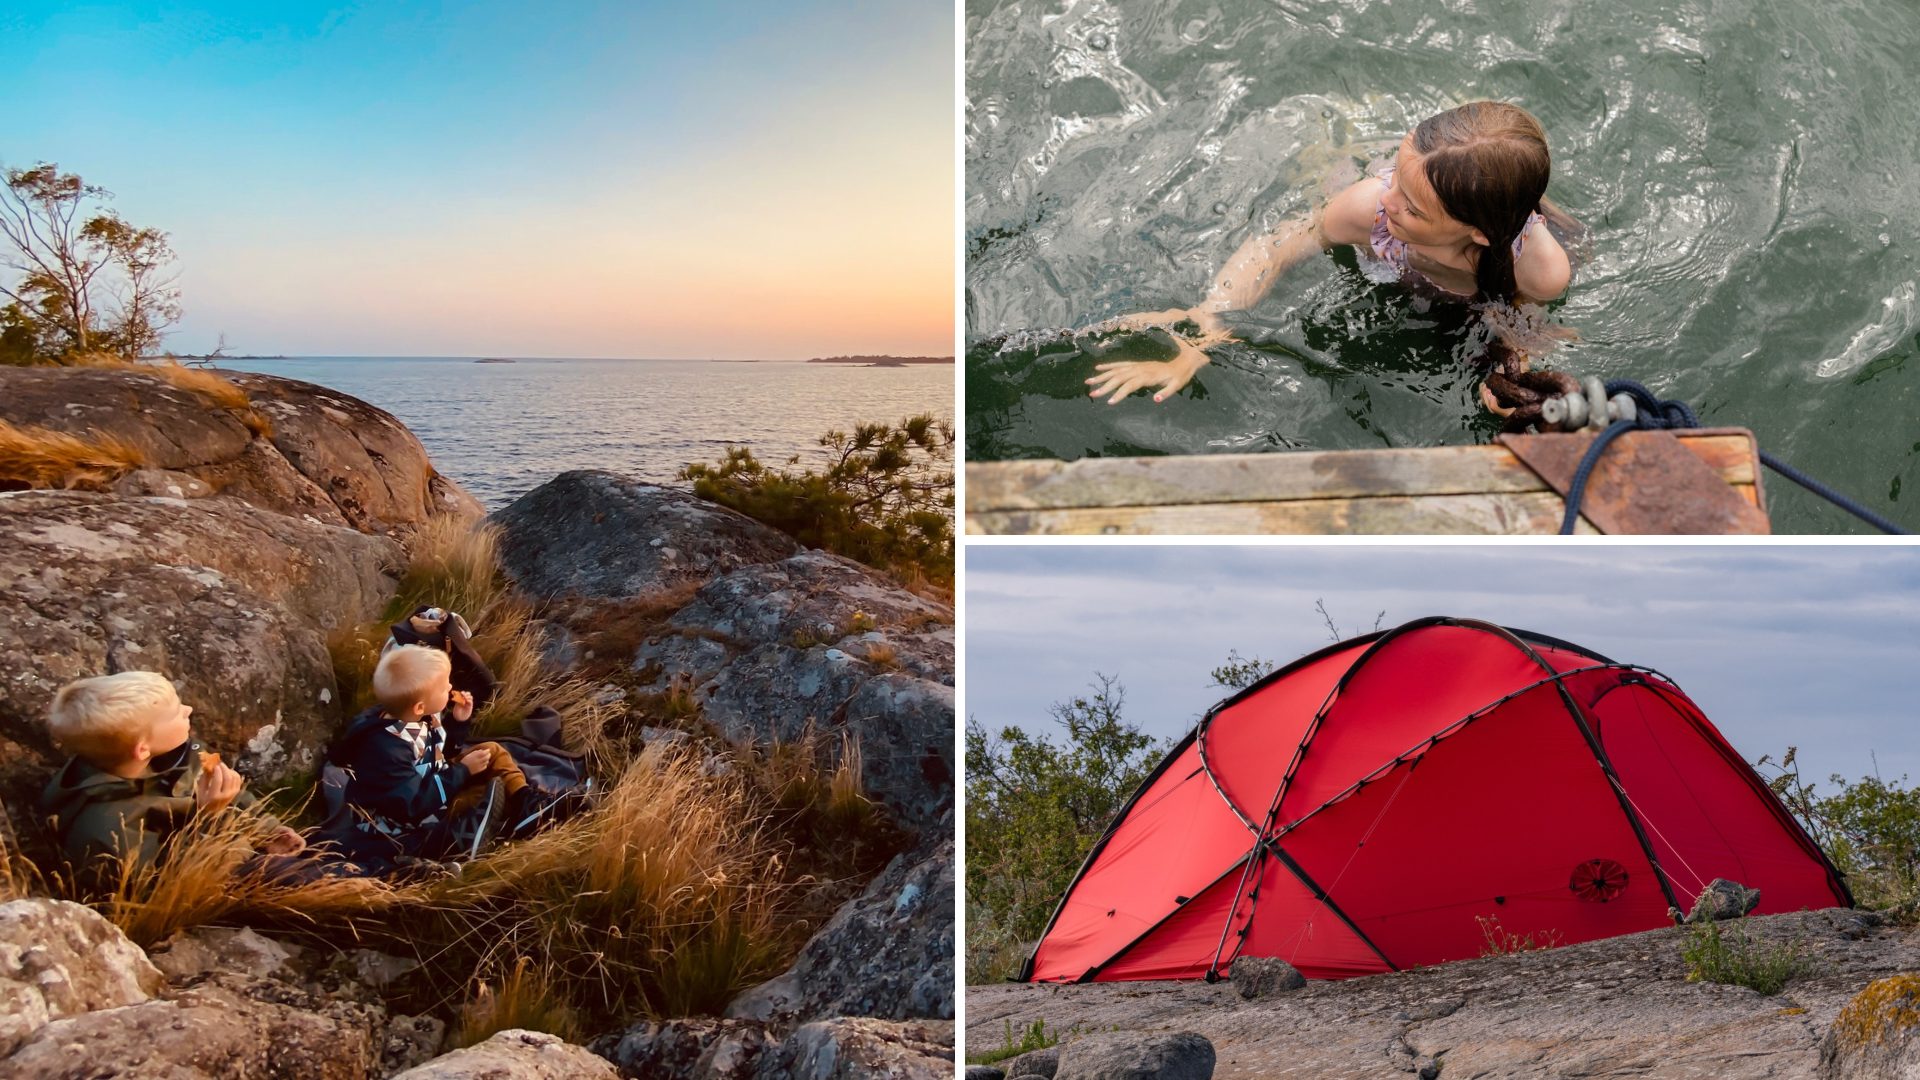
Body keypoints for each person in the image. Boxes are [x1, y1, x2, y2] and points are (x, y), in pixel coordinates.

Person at [1086, 100, 1580, 411]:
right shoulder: (1371, 205)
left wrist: (1511, 378)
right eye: (1396, 183)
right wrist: (1206, 323)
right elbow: (1274, 247)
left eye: (1408, 205)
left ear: (1477, 233)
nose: (1387, 203)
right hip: (1407, 194)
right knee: (1329, 173)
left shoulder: (1539, 269)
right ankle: (1341, 130)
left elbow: (1519, 318)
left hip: (1474, 233)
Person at [39, 671, 308, 895]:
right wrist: (207, 817)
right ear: (142, 749)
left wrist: (269, 831)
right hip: (216, 876)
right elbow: (162, 889)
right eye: (176, 713)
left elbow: (235, 795)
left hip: (236, 849)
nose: (188, 710)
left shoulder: (182, 752)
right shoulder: (104, 831)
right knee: (327, 877)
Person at [327, 642, 536, 867]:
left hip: (432, 782)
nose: (450, 687)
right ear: (419, 706)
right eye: (444, 686)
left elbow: (438, 753)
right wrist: (463, 771)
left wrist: (457, 722)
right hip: (405, 820)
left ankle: (526, 803)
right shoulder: (385, 750)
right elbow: (413, 805)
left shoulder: (416, 717)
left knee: (492, 750)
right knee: (484, 792)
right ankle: (464, 835)